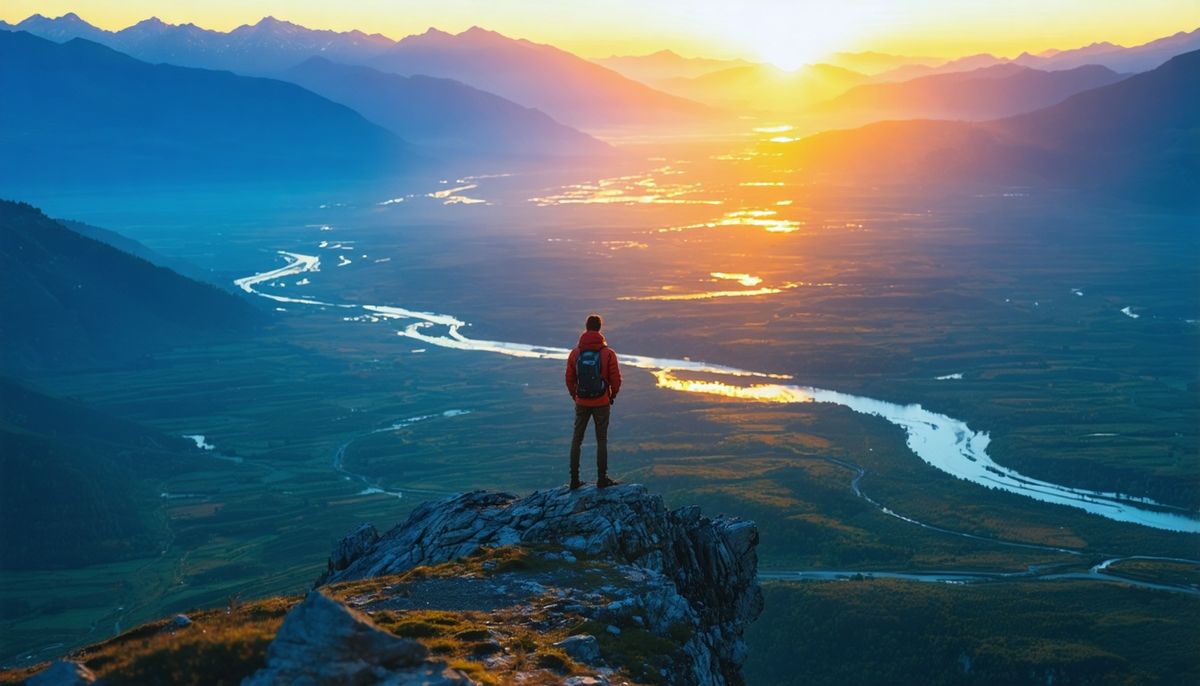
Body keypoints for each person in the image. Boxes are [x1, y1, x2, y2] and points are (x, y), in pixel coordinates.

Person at [565, 313, 622, 489]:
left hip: (581, 401)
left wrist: (576, 396)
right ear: (599, 328)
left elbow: (569, 378)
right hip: (602, 402)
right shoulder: (608, 354)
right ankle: (601, 479)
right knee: (601, 440)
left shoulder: (575, 353)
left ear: (586, 327)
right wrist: (611, 395)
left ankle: (574, 480)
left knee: (577, 439)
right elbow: (616, 379)